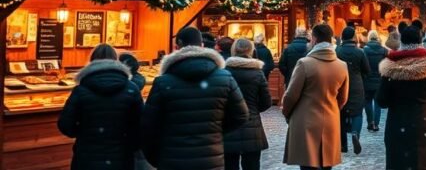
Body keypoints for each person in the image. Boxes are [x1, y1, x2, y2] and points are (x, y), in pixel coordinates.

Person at [141, 26, 249, 170]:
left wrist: (158, 157)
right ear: (202, 46)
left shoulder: (163, 82)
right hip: (210, 159)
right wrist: (215, 131)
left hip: (173, 158)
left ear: (177, 47)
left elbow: (148, 126)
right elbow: (241, 115)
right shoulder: (224, 78)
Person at [57, 43, 143, 170]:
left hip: (86, 157)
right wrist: (130, 143)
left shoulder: (81, 90)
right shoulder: (132, 89)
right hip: (121, 156)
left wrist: (83, 132)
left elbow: (65, 125)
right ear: (116, 61)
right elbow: (141, 125)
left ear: (91, 61)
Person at [377, 25, 426, 170]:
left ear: (402, 41)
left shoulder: (390, 69)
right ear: (421, 41)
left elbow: (381, 101)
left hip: (397, 124)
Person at [282, 23, 350, 170]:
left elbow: (291, 95)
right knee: (326, 164)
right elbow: (343, 98)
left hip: (305, 120)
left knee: (307, 165)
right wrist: (332, 109)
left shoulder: (305, 63)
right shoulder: (342, 65)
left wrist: (287, 113)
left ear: (314, 39)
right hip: (330, 120)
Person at [224, 38, 272, 170]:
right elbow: (267, 101)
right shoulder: (257, 73)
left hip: (229, 125)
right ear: (251, 51)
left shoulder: (224, 72)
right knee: (252, 165)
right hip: (252, 124)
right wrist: (254, 110)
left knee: (229, 165)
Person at [335, 26, 370, 155]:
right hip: (356, 84)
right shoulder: (360, 52)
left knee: (341, 113)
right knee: (357, 113)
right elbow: (367, 70)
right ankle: (355, 133)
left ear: (342, 37)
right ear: (353, 37)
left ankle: (343, 145)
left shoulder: (337, 51)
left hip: (340, 83)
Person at [363, 29, 388, 132]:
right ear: (377, 38)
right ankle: (376, 124)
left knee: (368, 102)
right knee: (377, 103)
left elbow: (363, 66)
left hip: (367, 80)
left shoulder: (364, 50)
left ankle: (370, 122)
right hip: (379, 80)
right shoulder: (384, 50)